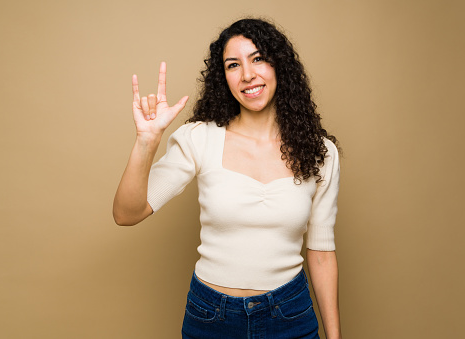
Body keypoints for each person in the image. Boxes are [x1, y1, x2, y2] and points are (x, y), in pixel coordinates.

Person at [113, 18, 342, 339]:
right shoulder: (198, 138)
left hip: (290, 314)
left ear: (280, 66)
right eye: (234, 65)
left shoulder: (321, 152)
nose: (248, 74)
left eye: (258, 58)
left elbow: (321, 252)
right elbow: (126, 214)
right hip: (211, 316)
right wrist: (146, 142)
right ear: (224, 78)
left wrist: (335, 337)